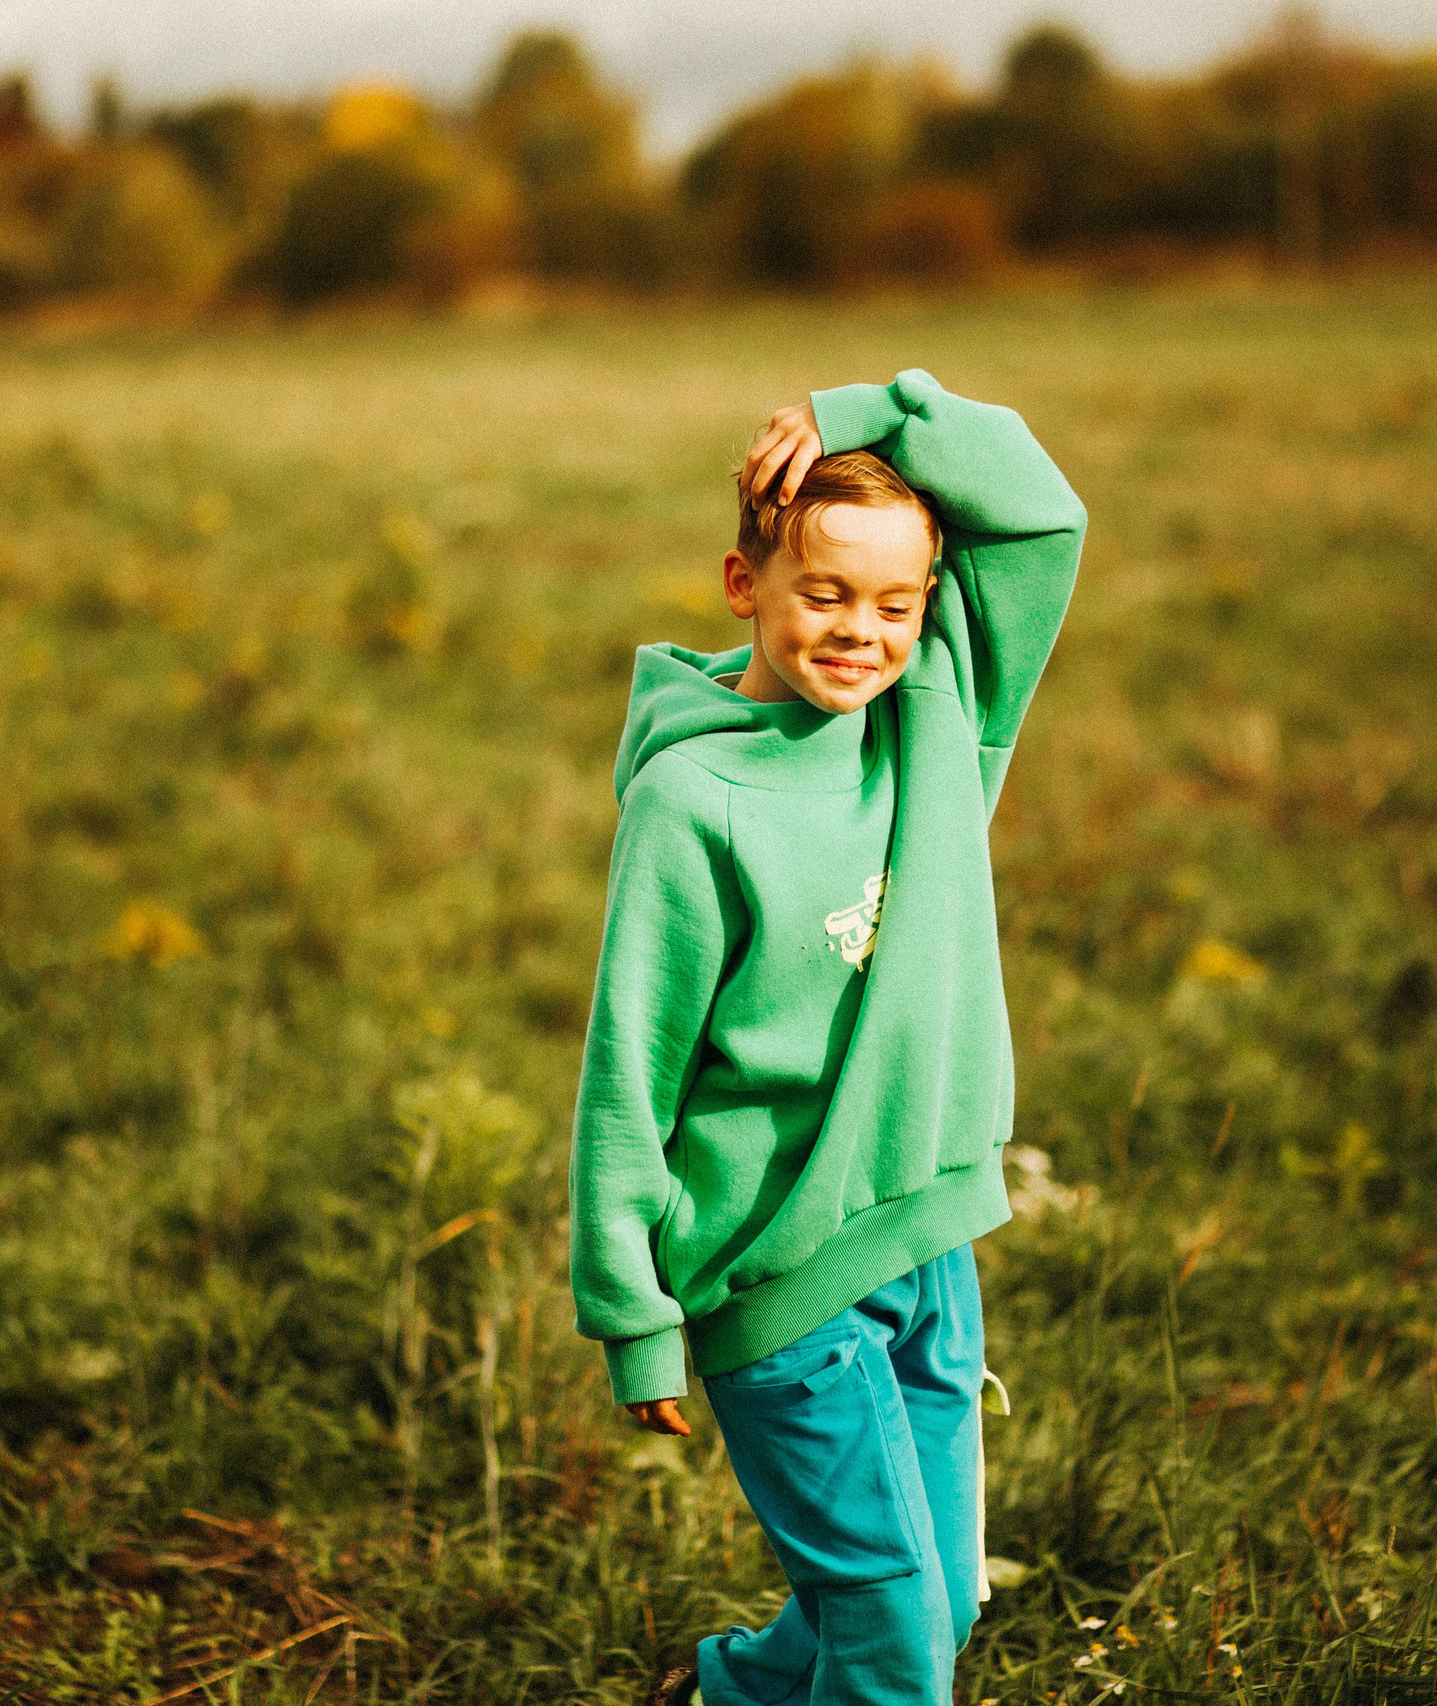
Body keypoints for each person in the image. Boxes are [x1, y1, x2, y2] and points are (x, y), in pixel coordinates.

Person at [568, 369, 1085, 1706]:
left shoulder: (941, 719)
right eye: (824, 593)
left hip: (927, 1236)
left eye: (896, 603)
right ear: (744, 581)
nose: (863, 632)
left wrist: (861, 413)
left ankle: (729, 1693)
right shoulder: (693, 801)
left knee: (941, 1596)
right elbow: (630, 1069)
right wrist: (635, 1313)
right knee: (898, 1639)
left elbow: (1039, 513)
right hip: (777, 1286)